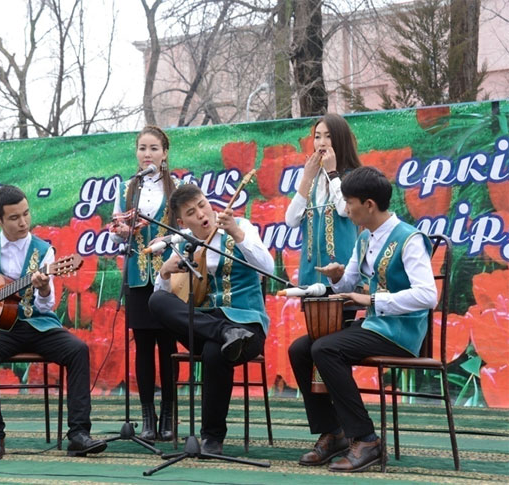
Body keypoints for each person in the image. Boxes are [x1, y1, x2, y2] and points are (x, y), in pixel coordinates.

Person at [288, 166, 437, 472]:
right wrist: (337, 276)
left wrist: (372, 300)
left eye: (349, 201)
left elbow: (427, 296)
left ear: (369, 204)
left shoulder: (409, 239)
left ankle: (366, 439)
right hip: (374, 325)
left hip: (401, 332)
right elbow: (348, 284)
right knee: (300, 349)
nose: (345, 208)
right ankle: (334, 432)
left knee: (326, 348)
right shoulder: (365, 238)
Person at [0, 185, 106, 461]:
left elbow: (47, 306)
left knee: (78, 350)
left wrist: (43, 288)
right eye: (14, 217)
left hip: (38, 324)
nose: (23, 222)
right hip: (1, 329)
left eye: (26, 213)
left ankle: (79, 435)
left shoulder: (43, 251)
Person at [148, 184, 274, 455]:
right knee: (156, 300)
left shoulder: (241, 226)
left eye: (203, 205)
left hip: (247, 327)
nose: (202, 214)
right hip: (207, 325)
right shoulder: (182, 244)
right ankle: (224, 331)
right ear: (183, 222)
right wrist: (165, 273)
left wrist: (237, 233)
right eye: (191, 213)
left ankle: (212, 438)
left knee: (215, 351)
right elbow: (166, 298)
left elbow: (268, 268)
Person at [109, 125, 179, 442]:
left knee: (168, 345)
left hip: (169, 275)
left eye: (153, 148)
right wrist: (122, 232)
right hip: (138, 276)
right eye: (142, 148)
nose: (147, 154)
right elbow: (115, 231)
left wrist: (166, 240)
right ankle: (147, 416)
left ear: (164, 153)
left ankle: (169, 415)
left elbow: (188, 229)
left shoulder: (178, 186)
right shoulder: (127, 187)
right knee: (143, 346)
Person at [285, 113, 361, 296]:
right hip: (310, 278)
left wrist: (332, 173)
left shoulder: (353, 175)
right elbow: (291, 220)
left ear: (340, 140)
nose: (321, 143)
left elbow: (345, 210)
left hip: (341, 277)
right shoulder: (312, 179)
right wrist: (307, 177)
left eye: (328, 136)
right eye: (317, 137)